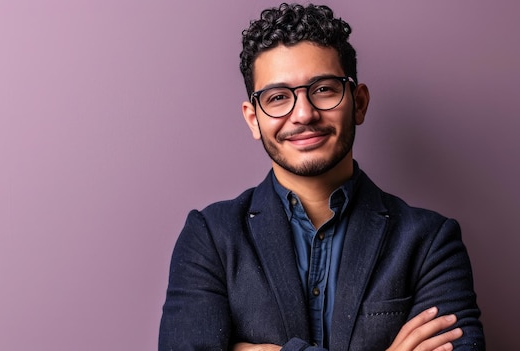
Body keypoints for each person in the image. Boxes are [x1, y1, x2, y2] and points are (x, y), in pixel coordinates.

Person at [159, 3, 485, 350]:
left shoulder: (430, 242)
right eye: (278, 97)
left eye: (324, 89)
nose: (303, 114)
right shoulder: (210, 237)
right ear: (254, 119)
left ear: (358, 102)